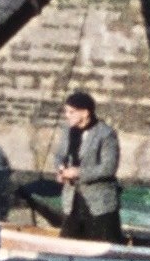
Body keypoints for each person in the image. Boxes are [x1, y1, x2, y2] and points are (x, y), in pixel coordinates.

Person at [49, 87, 121, 234]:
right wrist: (61, 169)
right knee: (68, 241)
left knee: (102, 241)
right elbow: (59, 155)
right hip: (72, 200)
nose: (67, 116)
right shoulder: (67, 131)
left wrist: (78, 173)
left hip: (99, 203)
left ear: (85, 113)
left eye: (71, 112)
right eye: (66, 112)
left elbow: (109, 167)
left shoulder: (105, 134)